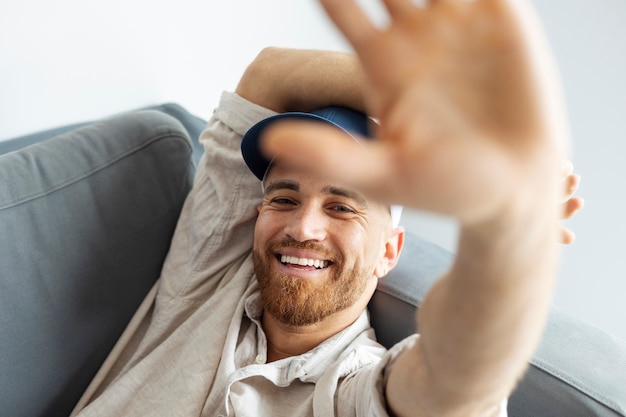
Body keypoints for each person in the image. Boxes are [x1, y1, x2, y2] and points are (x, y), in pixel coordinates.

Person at [71, 0, 583, 416]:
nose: (303, 226)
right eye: (285, 197)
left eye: (341, 207)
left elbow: (450, 385)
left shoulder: (354, 388)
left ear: (390, 251)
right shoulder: (207, 276)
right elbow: (269, 74)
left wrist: (503, 246)